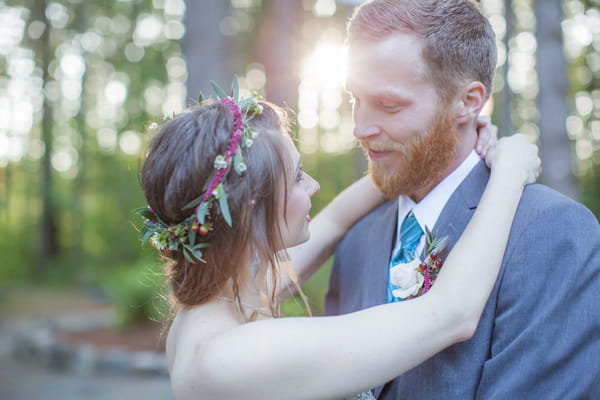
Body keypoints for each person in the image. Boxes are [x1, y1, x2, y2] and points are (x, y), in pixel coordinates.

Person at [137, 83, 539, 400]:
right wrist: (511, 168)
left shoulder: (218, 303)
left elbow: (334, 221)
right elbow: (451, 315)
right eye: (296, 178)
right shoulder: (229, 358)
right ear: (250, 212)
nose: (312, 185)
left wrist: (444, 144)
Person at [325, 0, 600, 399]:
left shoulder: (553, 234)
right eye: (355, 99)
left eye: (389, 105)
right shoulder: (355, 242)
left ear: (470, 101)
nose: (360, 128)